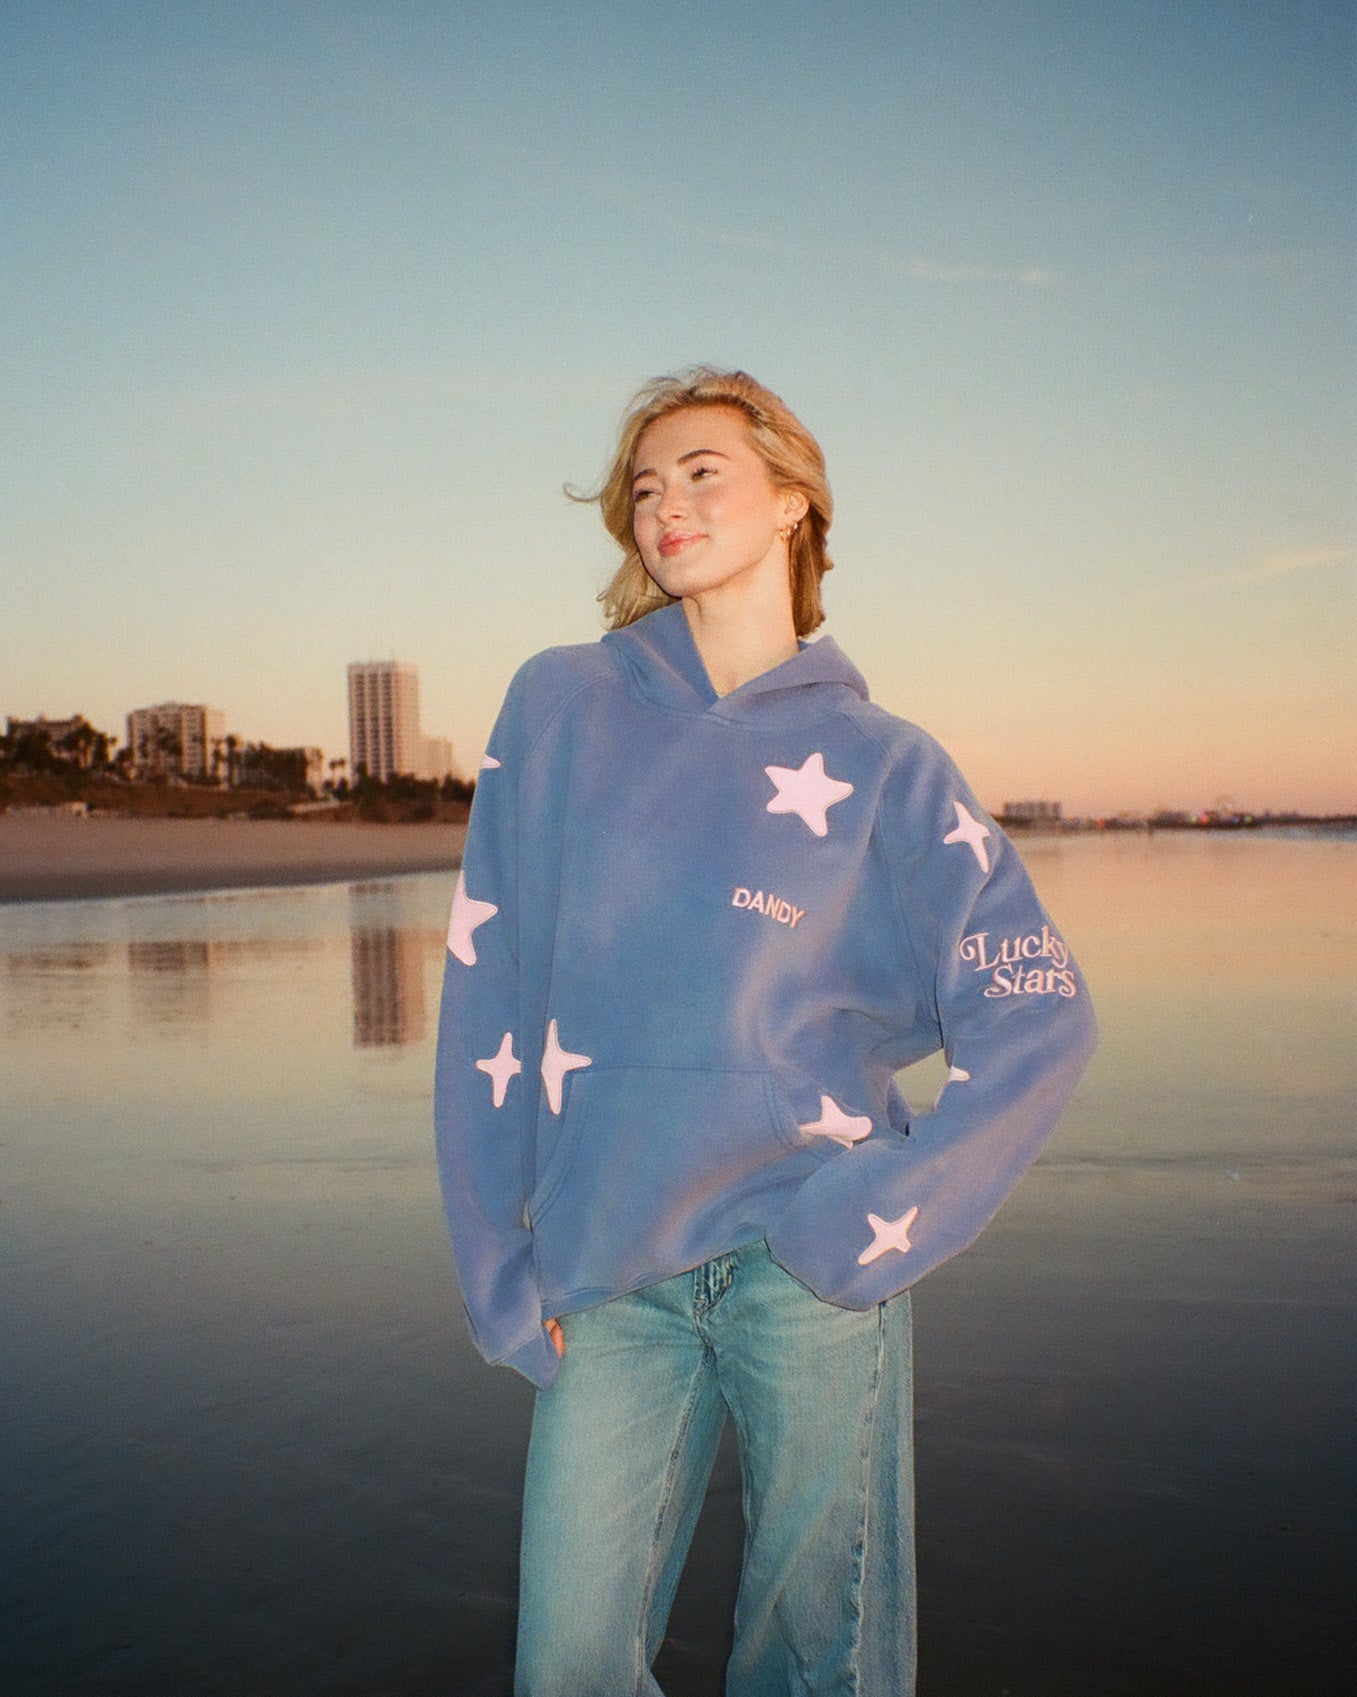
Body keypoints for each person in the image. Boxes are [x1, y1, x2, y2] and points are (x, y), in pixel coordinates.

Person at [434, 368, 1096, 1696]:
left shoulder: (883, 762)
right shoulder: (560, 707)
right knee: (566, 1663)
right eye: (642, 485)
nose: (664, 503)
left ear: (794, 498)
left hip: (806, 1264)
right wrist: (493, 1264)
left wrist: (865, 1218)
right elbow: (489, 994)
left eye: (701, 471)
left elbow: (1038, 1009)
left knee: (812, 1662)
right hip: (606, 1273)